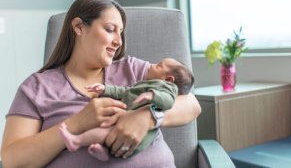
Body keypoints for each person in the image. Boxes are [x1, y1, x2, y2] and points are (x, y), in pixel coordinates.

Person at [1, 0, 201, 168]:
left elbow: (191, 104)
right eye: (110, 29)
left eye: (120, 32)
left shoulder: (133, 68)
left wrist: (148, 117)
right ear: (79, 27)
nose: (119, 41)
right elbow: (12, 161)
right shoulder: (37, 88)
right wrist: (76, 123)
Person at [59, 58, 194, 161]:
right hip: (124, 125)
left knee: (106, 131)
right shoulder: (148, 84)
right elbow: (126, 91)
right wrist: (106, 88)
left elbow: (169, 100)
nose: (151, 65)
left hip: (135, 137)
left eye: (158, 65)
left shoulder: (167, 88)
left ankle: (76, 141)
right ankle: (104, 153)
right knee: (107, 133)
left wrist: (152, 95)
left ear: (169, 79)